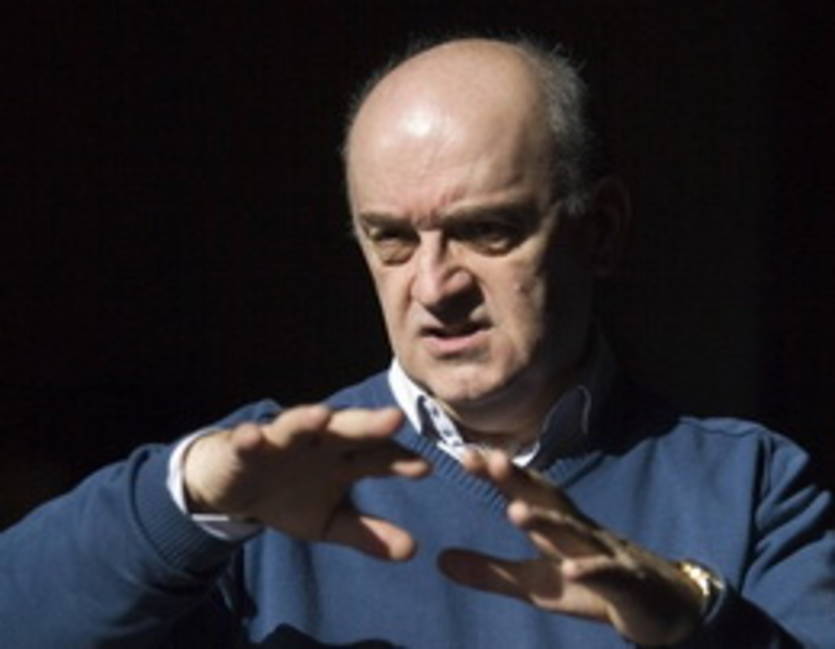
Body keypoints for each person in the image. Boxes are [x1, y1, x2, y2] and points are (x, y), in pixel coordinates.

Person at [2, 36, 833, 649]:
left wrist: (699, 620)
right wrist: (184, 502)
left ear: (601, 229)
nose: (434, 286)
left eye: (486, 230)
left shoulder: (752, 487)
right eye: (392, 240)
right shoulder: (271, 485)